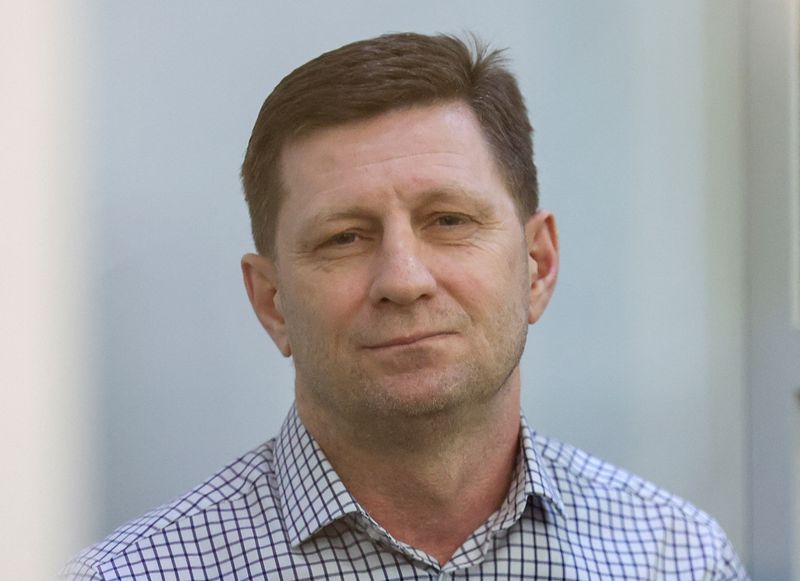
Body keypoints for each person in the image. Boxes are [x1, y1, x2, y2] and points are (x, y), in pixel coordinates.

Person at [64, 32, 748, 579]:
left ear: (537, 264)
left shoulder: (676, 557)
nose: (404, 278)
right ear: (272, 303)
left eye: (448, 219)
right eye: (344, 237)